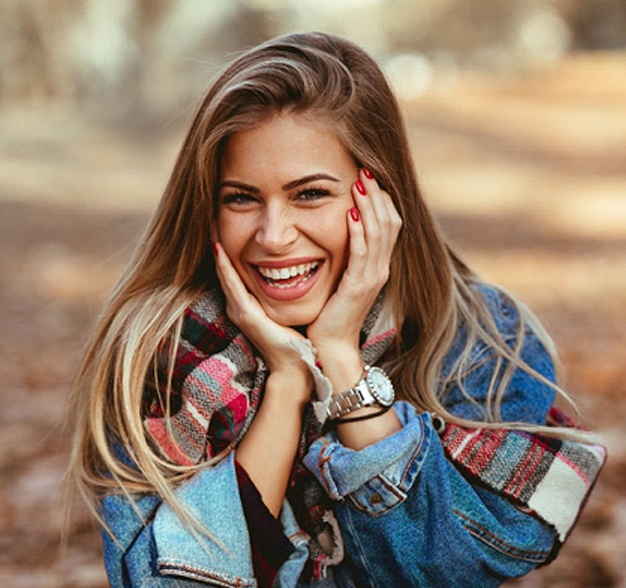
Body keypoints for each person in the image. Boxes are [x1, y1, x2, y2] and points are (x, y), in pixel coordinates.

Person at [69, 32, 606, 587]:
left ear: (379, 197)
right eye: (241, 198)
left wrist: (340, 360)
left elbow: (448, 571)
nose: (273, 236)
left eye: (310, 194)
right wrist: (285, 385)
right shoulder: (160, 351)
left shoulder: (481, 338)